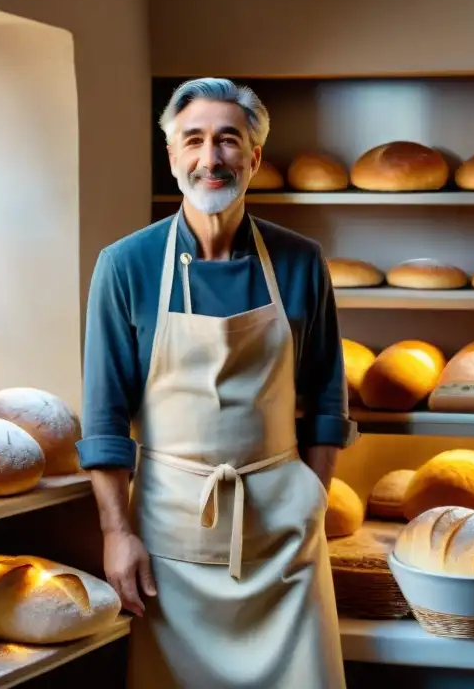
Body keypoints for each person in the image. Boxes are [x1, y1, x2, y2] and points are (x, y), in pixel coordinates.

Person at [78, 77, 354, 688]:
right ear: (172, 155)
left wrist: (314, 498)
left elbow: (327, 398)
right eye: (194, 140)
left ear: (254, 157)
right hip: (171, 538)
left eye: (229, 141)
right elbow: (104, 418)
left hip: (285, 535)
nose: (212, 158)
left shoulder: (301, 261)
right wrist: (115, 533)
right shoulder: (126, 265)